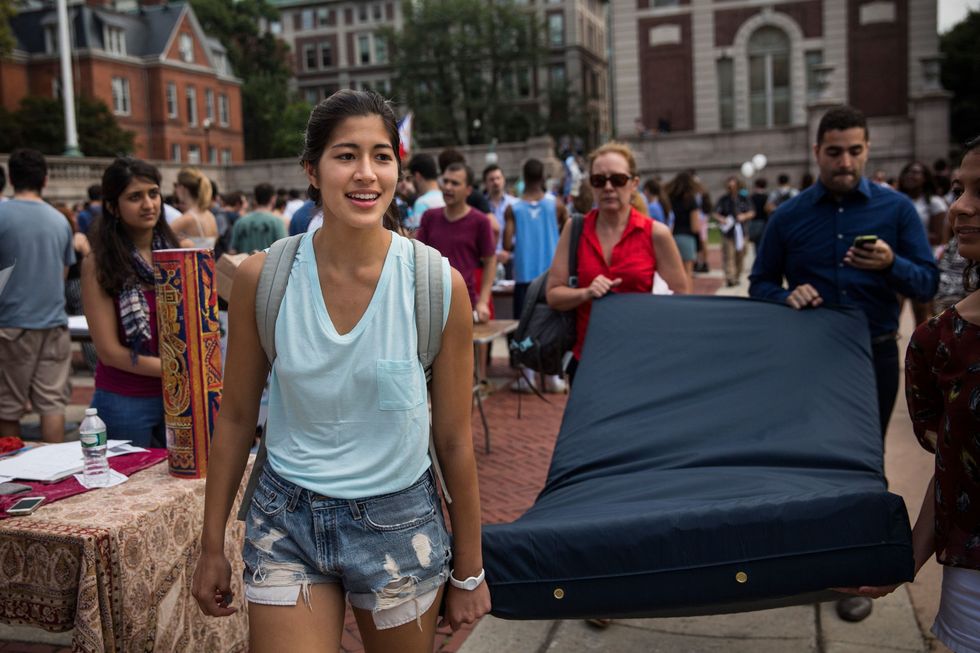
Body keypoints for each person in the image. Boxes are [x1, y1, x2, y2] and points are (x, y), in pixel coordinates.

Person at [191, 90, 489, 650]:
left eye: (382, 155)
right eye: (346, 155)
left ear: (398, 169)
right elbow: (234, 422)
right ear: (312, 169)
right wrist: (212, 545)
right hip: (286, 521)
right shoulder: (266, 278)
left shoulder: (435, 286)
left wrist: (469, 568)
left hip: (401, 525)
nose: (366, 173)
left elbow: (453, 440)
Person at [748, 105, 939, 623]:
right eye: (835, 151)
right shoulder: (788, 217)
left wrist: (891, 264)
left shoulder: (897, 212)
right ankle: (806, 559)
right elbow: (759, 283)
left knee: (863, 464)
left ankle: (855, 570)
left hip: (872, 355)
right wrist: (784, 295)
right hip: (807, 359)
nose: (845, 161)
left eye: (855, 150)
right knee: (809, 460)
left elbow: (927, 282)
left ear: (868, 149)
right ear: (817, 153)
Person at [835, 135, 980, 653]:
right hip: (973, 577)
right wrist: (907, 561)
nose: (959, 206)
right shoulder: (937, 344)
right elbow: (955, 468)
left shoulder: (893, 209)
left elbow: (917, 275)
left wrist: (891, 263)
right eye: (960, 189)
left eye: (978, 192)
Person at [545, 141, 689, 386]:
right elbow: (554, 294)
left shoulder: (656, 233)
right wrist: (586, 293)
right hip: (588, 361)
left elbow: (682, 298)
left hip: (643, 360)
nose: (608, 187)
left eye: (618, 180)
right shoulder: (576, 228)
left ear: (633, 184)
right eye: (599, 180)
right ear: (591, 185)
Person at [81, 158, 181, 448]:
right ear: (113, 206)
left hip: (179, 399)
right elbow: (109, 351)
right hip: (124, 401)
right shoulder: (98, 263)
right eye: (134, 197)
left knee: (184, 488)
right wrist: (178, 368)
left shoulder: (178, 252)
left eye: (153, 193)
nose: (148, 204)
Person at [0, 149, 75, 442]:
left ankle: (10, 472)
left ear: (10, 178)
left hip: (11, 324)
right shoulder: (59, 220)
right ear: (45, 179)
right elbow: (63, 274)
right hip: (54, 323)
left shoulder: (2, 215)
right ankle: (53, 474)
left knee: (8, 408)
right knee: (53, 405)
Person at [503, 158, 568, 394]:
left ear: (523, 177)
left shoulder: (513, 208)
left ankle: (527, 376)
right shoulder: (557, 205)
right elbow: (565, 230)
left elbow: (507, 243)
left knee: (524, 326)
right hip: (551, 274)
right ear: (543, 178)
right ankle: (552, 377)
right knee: (553, 325)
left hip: (524, 275)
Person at [416, 163, 496, 323]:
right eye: (445, 181)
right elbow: (418, 257)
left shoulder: (480, 221)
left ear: (468, 190)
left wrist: (483, 302)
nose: (447, 187)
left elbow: (490, 261)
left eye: (455, 183)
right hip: (430, 304)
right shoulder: (429, 217)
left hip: (465, 302)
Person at [898, 160, 947, 323]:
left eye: (915, 172)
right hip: (897, 262)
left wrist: (908, 238)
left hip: (921, 263)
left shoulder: (934, 203)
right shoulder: (895, 201)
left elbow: (939, 237)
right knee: (892, 312)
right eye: (907, 172)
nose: (910, 175)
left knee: (921, 315)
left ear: (925, 178)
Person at [712, 176, 755, 287]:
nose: (731, 189)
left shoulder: (744, 198)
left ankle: (737, 276)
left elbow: (752, 212)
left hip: (742, 232)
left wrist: (744, 216)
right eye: (729, 187)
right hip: (728, 233)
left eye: (733, 186)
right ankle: (730, 278)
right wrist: (722, 219)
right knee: (729, 256)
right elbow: (715, 213)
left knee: (740, 255)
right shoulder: (723, 199)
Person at [665, 171, 701, 288]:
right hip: (687, 237)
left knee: (673, 273)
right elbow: (695, 226)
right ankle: (688, 299)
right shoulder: (691, 200)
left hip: (671, 237)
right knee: (687, 273)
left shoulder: (669, 199)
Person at [171, 167, 219, 249]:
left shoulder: (187, 218)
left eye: (176, 185)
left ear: (183, 188)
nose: (175, 189)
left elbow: (160, 239)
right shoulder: (210, 215)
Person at [231, 183, 287, 254]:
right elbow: (284, 251)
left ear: (255, 199)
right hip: (269, 264)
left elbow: (233, 250)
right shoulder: (277, 222)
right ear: (273, 199)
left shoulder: (240, 222)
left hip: (245, 264)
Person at [483, 164, 518, 264]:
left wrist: (507, 252)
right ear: (485, 183)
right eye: (491, 179)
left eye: (498, 178)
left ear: (504, 180)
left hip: (512, 258)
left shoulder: (515, 204)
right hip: (488, 260)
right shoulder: (481, 207)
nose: (496, 182)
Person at [406, 153, 444, 230]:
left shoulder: (422, 202)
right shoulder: (446, 198)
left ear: (417, 176)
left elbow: (419, 239)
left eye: (411, 178)